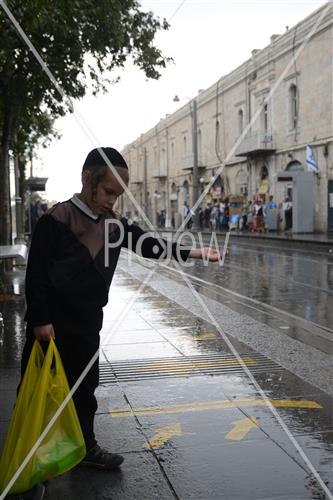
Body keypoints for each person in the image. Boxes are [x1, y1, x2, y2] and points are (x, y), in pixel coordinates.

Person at [15, 147, 221, 499]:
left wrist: (192, 252)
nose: (113, 201)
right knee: (39, 394)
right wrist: (41, 320)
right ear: (87, 179)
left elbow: (147, 245)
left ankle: (84, 448)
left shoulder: (114, 225)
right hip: (52, 326)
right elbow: (36, 276)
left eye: (118, 195)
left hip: (87, 323)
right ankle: (30, 463)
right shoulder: (57, 219)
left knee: (84, 391)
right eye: (108, 191)